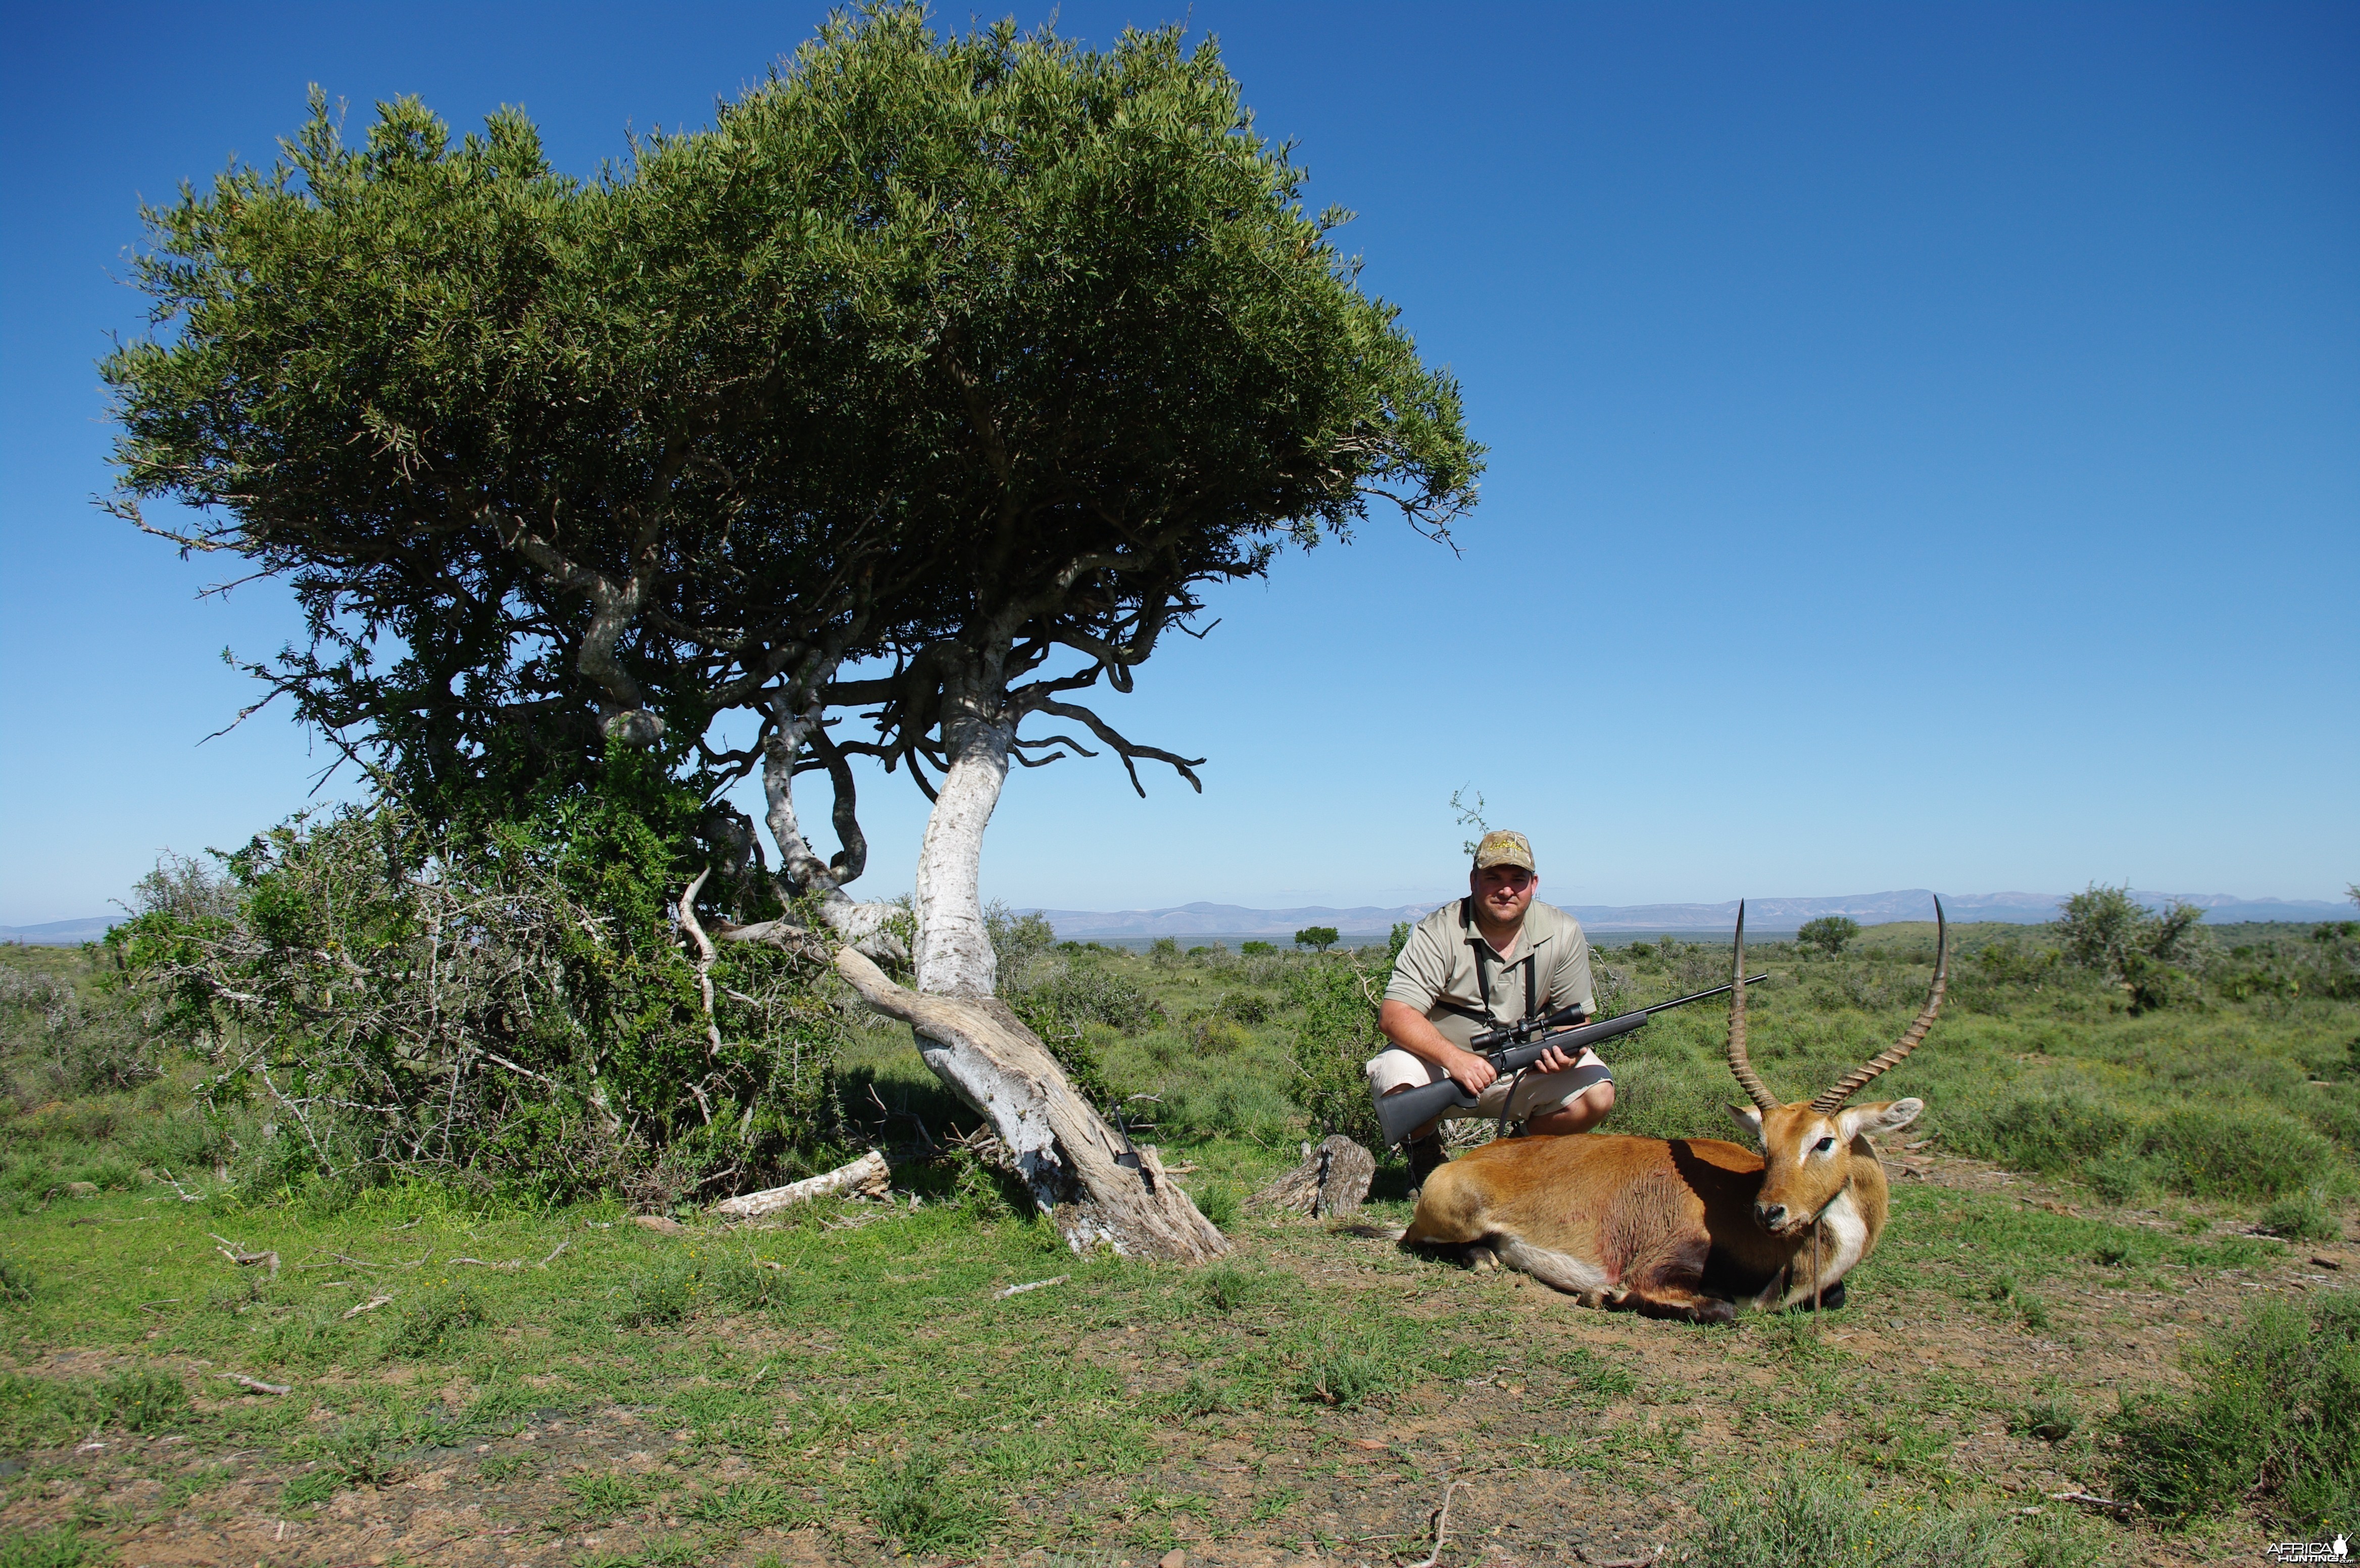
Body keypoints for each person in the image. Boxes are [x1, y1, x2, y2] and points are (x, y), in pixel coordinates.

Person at [1368, 829, 1616, 1188]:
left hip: (1526, 1067)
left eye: (1518, 879)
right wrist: (1456, 1060)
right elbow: (1395, 1014)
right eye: (1493, 878)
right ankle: (1425, 1158)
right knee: (1395, 1077)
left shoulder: (1563, 931)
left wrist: (1565, 1054)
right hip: (1443, 1067)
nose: (1506, 890)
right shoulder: (1438, 930)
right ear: (1473, 881)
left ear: (1534, 883)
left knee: (1597, 1091)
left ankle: (1509, 1160)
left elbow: (1577, 1018)